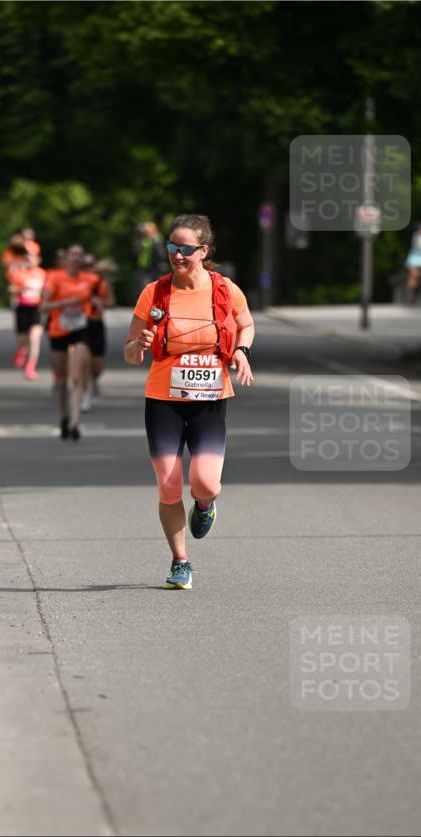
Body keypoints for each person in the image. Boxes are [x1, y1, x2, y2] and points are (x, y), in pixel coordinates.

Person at [124, 213, 254, 590]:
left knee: (206, 483)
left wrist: (242, 351)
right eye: (172, 248)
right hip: (163, 399)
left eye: (185, 249)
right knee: (168, 485)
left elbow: (246, 323)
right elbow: (130, 353)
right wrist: (139, 346)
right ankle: (180, 561)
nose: (177, 256)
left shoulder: (225, 289)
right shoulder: (154, 293)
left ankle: (203, 505)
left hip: (210, 398)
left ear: (204, 250)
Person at [41, 244, 100, 440]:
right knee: (61, 381)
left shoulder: (91, 279)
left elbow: (101, 302)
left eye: (79, 255)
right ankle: (64, 416)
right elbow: (43, 307)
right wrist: (62, 304)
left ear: (83, 259)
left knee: (76, 377)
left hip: (80, 330)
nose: (76, 258)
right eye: (73, 255)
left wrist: (97, 305)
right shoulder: (54, 277)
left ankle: (75, 423)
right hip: (58, 330)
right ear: (66, 258)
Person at [81, 256, 117, 410]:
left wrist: (100, 303)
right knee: (83, 360)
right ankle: (84, 394)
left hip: (96, 323)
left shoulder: (103, 283)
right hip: (80, 324)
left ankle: (94, 379)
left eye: (90, 265)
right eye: (84, 265)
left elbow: (111, 302)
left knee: (97, 364)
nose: (88, 268)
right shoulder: (76, 282)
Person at [7, 245, 47, 379]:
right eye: (27, 259)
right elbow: (11, 289)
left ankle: (30, 367)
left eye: (32, 259)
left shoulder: (43, 274)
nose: (29, 261)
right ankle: (20, 351)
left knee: (34, 338)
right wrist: (22, 289)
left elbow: (48, 291)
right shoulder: (19, 273)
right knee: (22, 339)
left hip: (37, 308)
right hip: (23, 307)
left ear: (38, 260)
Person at [134, 221, 166, 294]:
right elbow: (136, 250)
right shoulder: (142, 240)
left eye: (147, 231)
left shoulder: (157, 238)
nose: (146, 233)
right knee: (143, 286)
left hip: (156, 266)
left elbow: (161, 252)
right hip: (144, 266)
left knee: (156, 285)